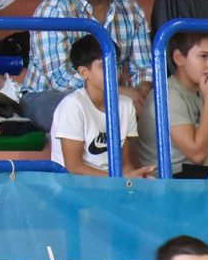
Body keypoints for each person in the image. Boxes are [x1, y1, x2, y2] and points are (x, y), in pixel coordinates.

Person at [20, 0, 153, 131]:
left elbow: (144, 68)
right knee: (77, 107)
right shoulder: (52, 11)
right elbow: (61, 78)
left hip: (111, 96)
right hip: (48, 96)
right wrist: (119, 94)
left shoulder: (132, 9)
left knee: (161, 107)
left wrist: (140, 95)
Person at [50, 35, 152, 177]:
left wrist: (135, 179)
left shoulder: (126, 105)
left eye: (115, 65)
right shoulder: (73, 105)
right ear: (84, 73)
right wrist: (119, 180)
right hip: (74, 189)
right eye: (103, 66)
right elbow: (74, 168)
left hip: (109, 187)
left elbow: (125, 164)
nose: (113, 72)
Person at [138, 32, 208, 179]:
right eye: (203, 56)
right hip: (174, 179)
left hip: (207, 176)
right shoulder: (168, 93)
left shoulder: (204, 90)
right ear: (179, 58)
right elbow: (197, 156)